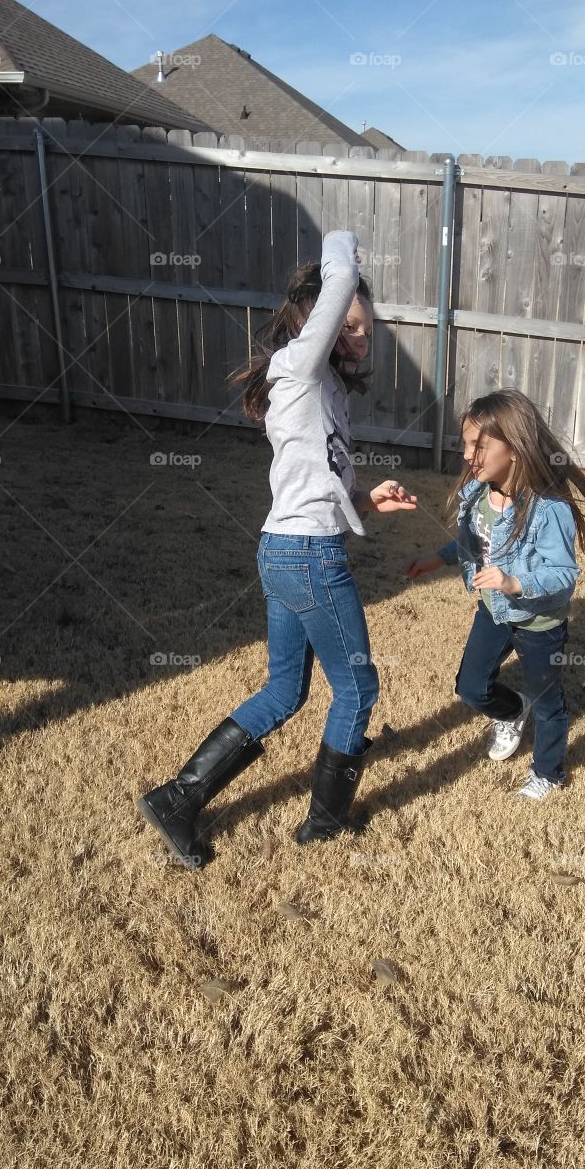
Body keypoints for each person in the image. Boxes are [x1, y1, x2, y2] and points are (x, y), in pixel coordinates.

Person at [137, 230, 417, 866]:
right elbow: (340, 276)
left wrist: (368, 501)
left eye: (365, 328)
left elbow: (311, 494)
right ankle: (325, 824)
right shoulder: (300, 366)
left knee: (285, 691)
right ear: (316, 321)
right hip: (309, 559)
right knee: (357, 690)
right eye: (347, 325)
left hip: (288, 548)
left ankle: (179, 798)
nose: (361, 335)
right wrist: (343, 239)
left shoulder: (325, 391)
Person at [406, 389, 585, 799]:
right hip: (494, 611)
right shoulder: (479, 495)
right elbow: (475, 544)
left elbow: (564, 573)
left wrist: (515, 583)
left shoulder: (549, 507)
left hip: (538, 621)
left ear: (514, 449)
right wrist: (437, 559)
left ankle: (548, 774)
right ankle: (513, 711)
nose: (467, 454)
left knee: (549, 702)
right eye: (465, 444)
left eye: (479, 445)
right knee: (470, 688)